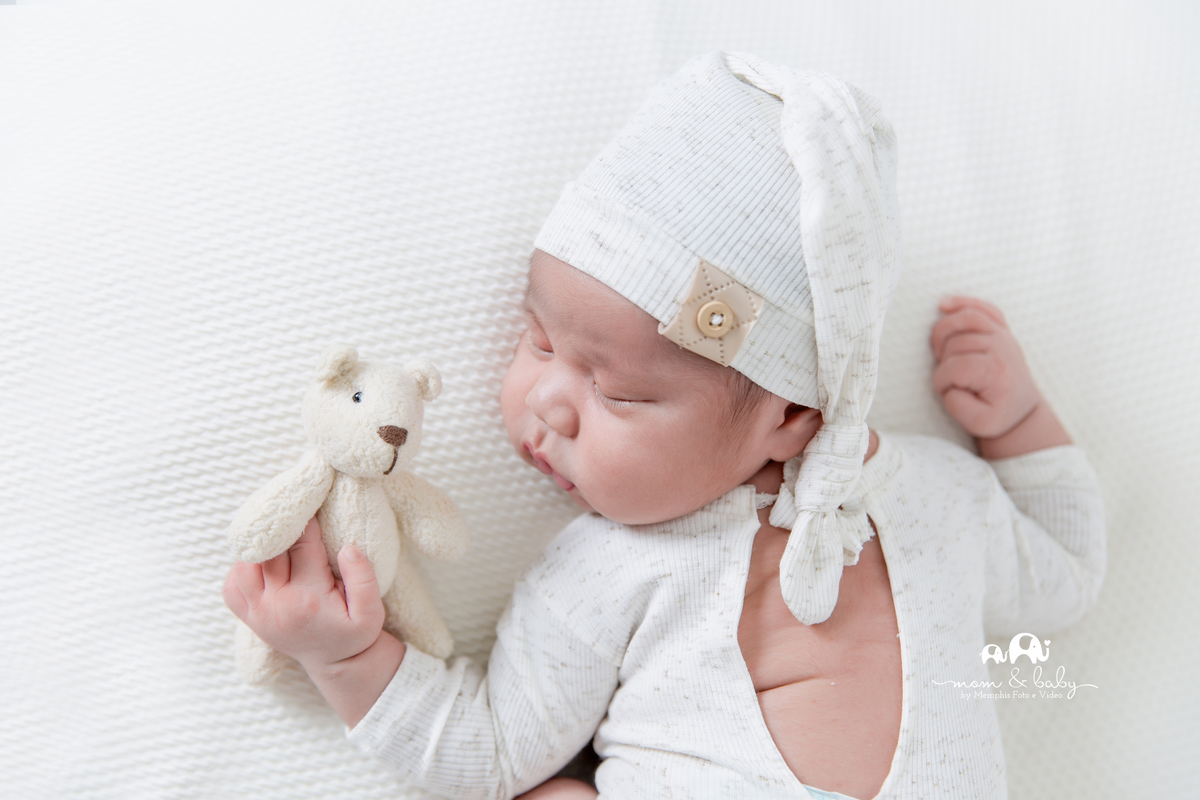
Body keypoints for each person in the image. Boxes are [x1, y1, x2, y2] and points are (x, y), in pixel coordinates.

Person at [223, 52, 1105, 800]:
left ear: (793, 415)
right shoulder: (608, 569)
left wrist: (1024, 424)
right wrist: (342, 657)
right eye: (538, 339)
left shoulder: (931, 496)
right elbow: (489, 745)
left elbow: (1062, 575)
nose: (547, 400)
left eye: (620, 394)